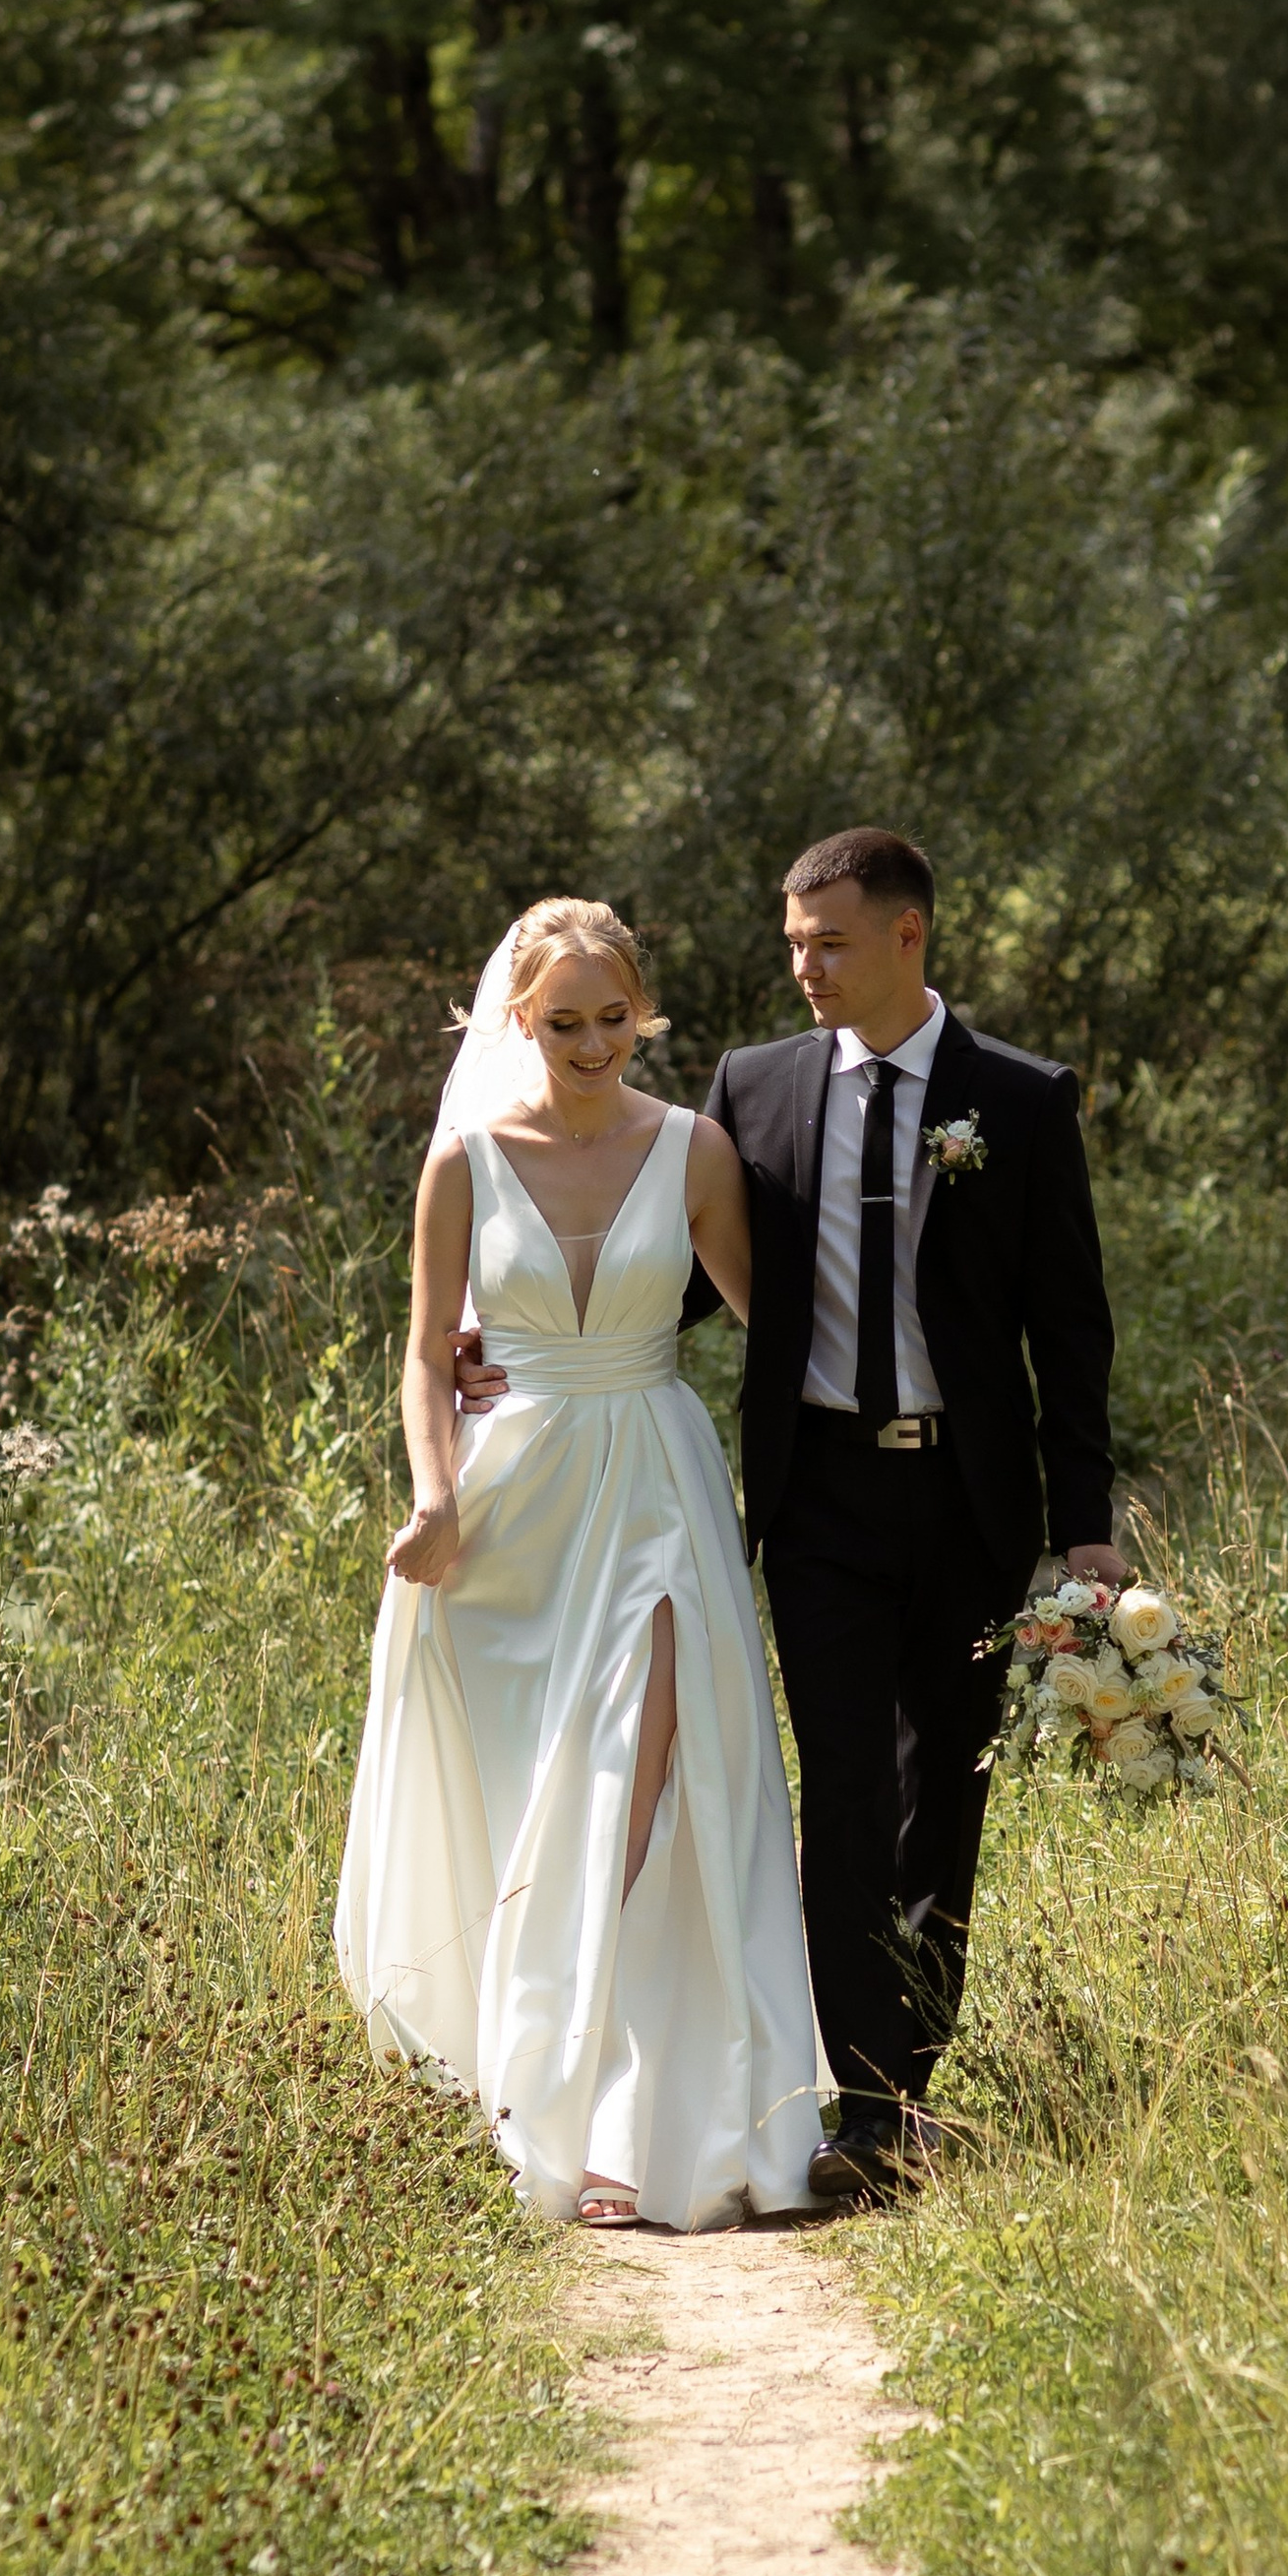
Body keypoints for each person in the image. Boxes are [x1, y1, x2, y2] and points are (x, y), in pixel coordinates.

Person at [459, 830, 1123, 2203]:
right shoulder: (751, 1093)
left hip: (967, 1497)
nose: (806, 969)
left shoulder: (1019, 1099)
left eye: (830, 944)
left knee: (945, 1791)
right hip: (819, 1497)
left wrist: (1086, 1524)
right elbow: (685, 1276)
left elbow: (1070, 1330)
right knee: (844, 1784)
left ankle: (907, 2080)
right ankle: (860, 2108)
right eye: (794, 946)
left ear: (907, 940)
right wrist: (520, 1349)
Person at [334, 899, 826, 2230]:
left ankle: (603, 2120)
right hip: (510, 1513)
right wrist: (435, 1499)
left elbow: (779, 1327)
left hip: (658, 1487)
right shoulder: (466, 1167)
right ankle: (527, 2082)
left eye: (617, 1018)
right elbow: (428, 1352)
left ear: (642, 1013)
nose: (596, 1042)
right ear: (520, 1023)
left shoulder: (697, 1150)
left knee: (644, 1781)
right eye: (567, 1022)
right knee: (536, 1801)